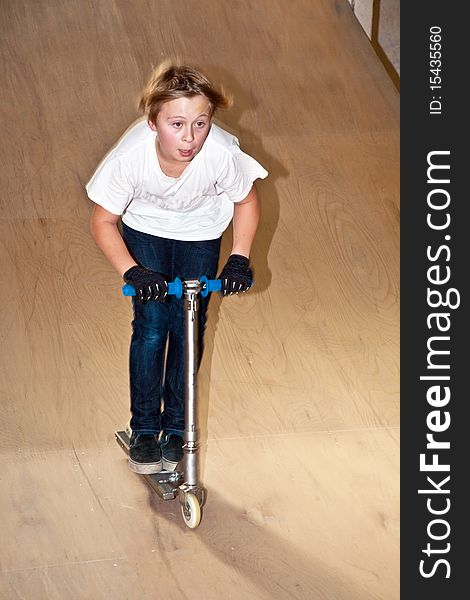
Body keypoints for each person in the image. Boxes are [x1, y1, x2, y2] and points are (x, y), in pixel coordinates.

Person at [87, 62, 268, 474]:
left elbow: (246, 200)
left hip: (201, 230)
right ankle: (146, 428)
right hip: (146, 228)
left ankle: (175, 426)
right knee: (152, 324)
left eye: (200, 123)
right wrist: (133, 271)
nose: (189, 138)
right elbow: (102, 221)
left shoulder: (219, 152)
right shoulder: (131, 156)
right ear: (153, 122)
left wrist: (239, 255)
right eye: (177, 124)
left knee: (189, 322)